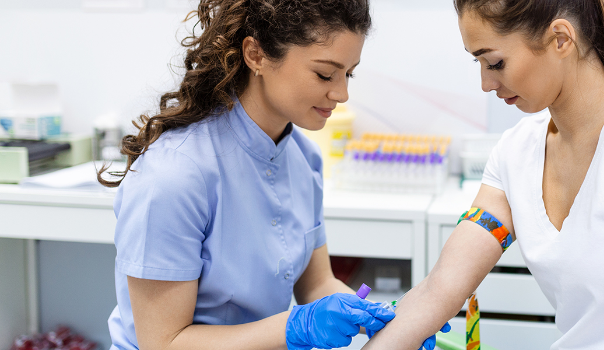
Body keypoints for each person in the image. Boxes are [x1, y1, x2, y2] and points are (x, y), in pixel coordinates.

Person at [362, 0, 604, 349]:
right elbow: (439, 291)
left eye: (495, 62)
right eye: (479, 63)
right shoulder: (515, 154)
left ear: (560, 39)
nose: (485, 83)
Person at [97, 1, 443, 349]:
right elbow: (163, 342)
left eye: (348, 74)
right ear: (256, 55)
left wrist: (381, 318)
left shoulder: (303, 158)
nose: (341, 94)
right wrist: (295, 326)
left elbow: (317, 284)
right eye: (325, 74)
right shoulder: (174, 174)